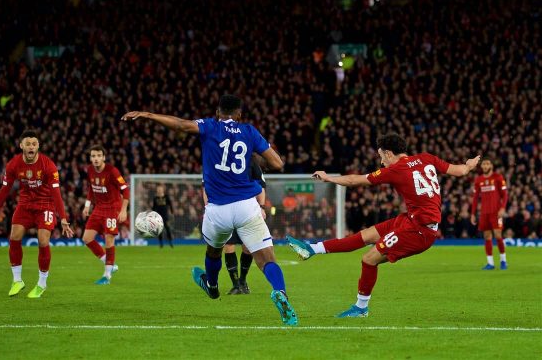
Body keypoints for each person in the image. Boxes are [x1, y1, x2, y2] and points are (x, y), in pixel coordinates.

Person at [122, 94, 298, 325]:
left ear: (218, 113)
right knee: (267, 260)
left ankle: (212, 286)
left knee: (214, 251)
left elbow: (181, 125)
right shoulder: (249, 131)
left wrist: (148, 115)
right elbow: (277, 163)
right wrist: (252, 153)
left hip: (217, 209)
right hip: (247, 206)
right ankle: (280, 293)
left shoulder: (209, 126)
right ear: (239, 114)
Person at [287, 133, 480, 318]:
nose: (381, 162)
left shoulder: (396, 169)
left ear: (388, 153)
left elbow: (355, 180)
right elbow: (460, 170)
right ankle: (312, 249)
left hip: (419, 230)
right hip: (411, 220)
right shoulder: (426, 158)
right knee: (367, 235)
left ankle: (361, 308)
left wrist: (328, 177)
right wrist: (469, 165)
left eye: (381, 157)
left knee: (369, 259)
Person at [0, 129, 74, 298]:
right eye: (28, 144)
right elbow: (4, 191)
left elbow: (56, 194)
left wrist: (63, 218)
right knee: (14, 236)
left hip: (45, 205)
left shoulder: (48, 165)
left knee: (43, 239)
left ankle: (41, 283)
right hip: (25, 205)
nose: (31, 146)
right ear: (21, 145)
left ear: (39, 146)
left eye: (34, 144)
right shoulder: (13, 164)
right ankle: (17, 280)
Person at [201, 158, 266, 295]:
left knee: (248, 248)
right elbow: (205, 187)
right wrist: (208, 207)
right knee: (228, 246)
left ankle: (242, 281)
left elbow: (261, 186)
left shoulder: (250, 161)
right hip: (223, 210)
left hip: (247, 211)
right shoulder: (215, 160)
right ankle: (236, 284)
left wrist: (261, 206)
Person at [82, 145, 129, 284]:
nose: (95, 159)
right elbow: (91, 188)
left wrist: (123, 210)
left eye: (98, 156)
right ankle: (109, 264)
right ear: (91, 158)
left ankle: (107, 276)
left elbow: (125, 190)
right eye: (93, 156)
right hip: (98, 208)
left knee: (109, 240)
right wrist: (87, 206)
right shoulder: (90, 170)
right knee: (87, 238)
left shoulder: (112, 171)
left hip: (112, 208)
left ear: (103, 157)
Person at [471, 157, 509, 270]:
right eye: (484, 164)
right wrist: (473, 213)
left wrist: (502, 208)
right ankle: (490, 263)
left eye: (488, 164)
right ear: (481, 166)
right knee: (487, 236)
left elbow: (505, 195)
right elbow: (475, 198)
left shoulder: (498, 177)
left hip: (496, 212)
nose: (485, 166)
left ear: (491, 166)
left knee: (498, 235)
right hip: (484, 213)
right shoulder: (478, 180)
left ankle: (503, 260)